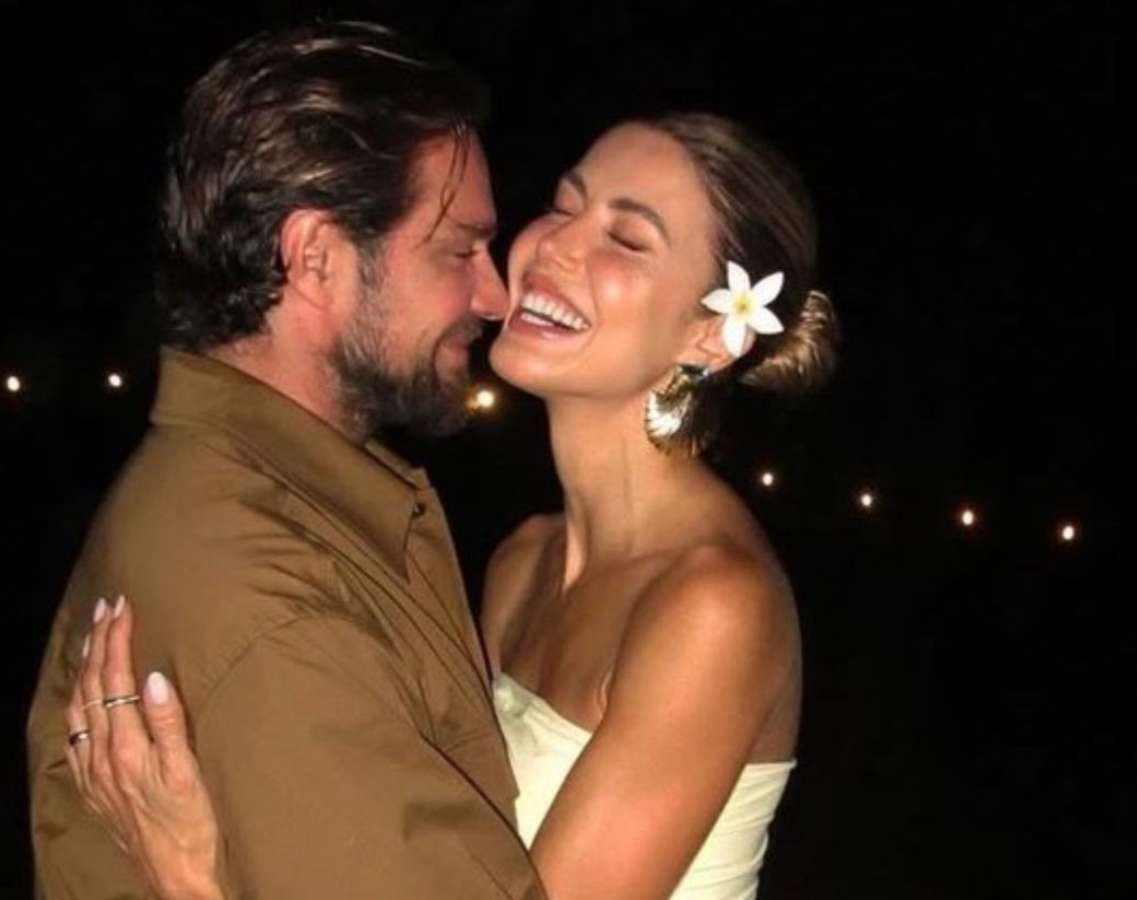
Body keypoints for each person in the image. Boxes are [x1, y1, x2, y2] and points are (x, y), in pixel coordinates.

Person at [63, 110, 840, 899]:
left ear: (711, 334)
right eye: (564, 205)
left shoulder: (713, 606)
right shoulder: (523, 560)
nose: (555, 245)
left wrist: (194, 878)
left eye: (627, 239)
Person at [26, 21, 546, 900]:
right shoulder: (277, 602)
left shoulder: (262, 497)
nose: (495, 295)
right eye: (460, 249)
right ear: (315, 258)